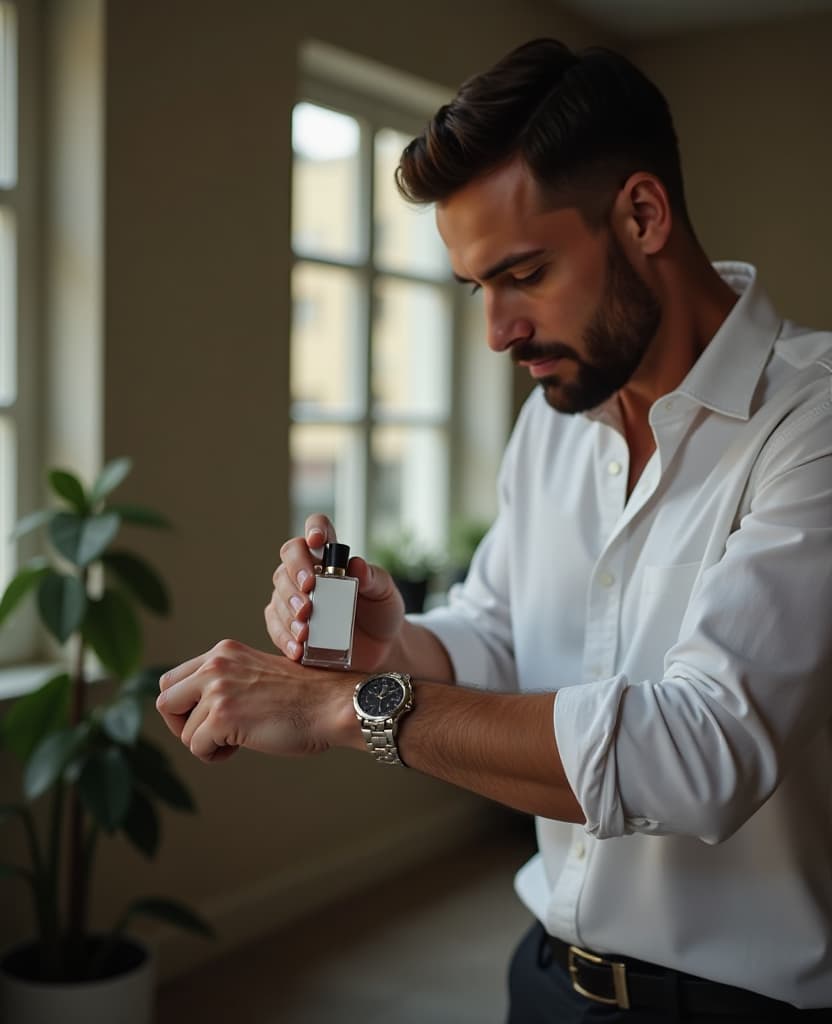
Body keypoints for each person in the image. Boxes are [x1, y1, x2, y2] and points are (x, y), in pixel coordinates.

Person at [156, 38, 832, 1021]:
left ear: (642, 214)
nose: (496, 331)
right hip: (543, 976)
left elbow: (700, 751)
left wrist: (343, 709)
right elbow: (504, 634)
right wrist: (399, 642)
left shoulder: (810, 423)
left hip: (740, 1001)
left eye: (524, 272)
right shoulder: (552, 424)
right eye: (479, 287)